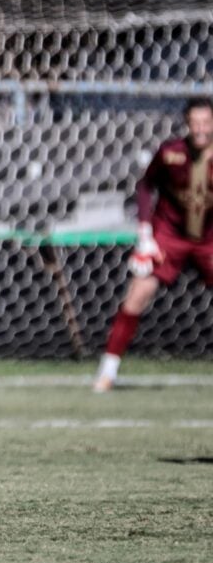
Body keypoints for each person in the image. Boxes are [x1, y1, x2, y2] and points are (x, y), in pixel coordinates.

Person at [93, 97, 213, 393]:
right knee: (138, 293)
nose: (200, 130)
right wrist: (145, 234)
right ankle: (107, 372)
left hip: (209, 237)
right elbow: (146, 186)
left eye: (206, 123)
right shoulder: (171, 152)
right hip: (169, 234)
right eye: (194, 123)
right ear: (186, 123)